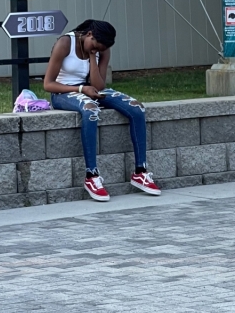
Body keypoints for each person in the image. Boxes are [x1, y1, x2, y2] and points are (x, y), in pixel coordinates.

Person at [43, 20, 160, 201]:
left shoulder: (102, 48)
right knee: (90, 110)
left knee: (137, 108)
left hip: (91, 90)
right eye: (95, 46)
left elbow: (99, 85)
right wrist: (82, 90)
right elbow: (48, 84)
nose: (97, 50)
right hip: (63, 92)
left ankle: (140, 172)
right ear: (89, 34)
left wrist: (92, 57)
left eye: (100, 49)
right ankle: (91, 176)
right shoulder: (65, 43)